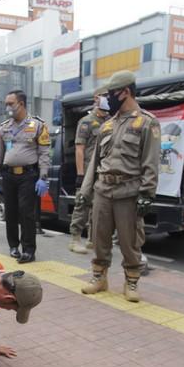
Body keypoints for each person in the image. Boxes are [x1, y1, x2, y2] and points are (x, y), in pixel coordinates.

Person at [80, 70, 160, 302]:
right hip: (103, 191)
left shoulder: (146, 122)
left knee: (129, 241)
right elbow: (95, 163)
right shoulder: (107, 125)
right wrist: (85, 192)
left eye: (111, 94)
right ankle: (99, 278)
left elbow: (151, 161)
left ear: (125, 92)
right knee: (99, 238)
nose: (107, 99)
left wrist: (147, 193)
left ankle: (131, 282)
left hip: (128, 193)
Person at [0, 90, 51, 263]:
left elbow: (44, 153)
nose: (7, 107)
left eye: (10, 103)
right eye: (6, 103)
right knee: (11, 212)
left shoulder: (38, 125)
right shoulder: (4, 127)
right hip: (8, 176)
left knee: (26, 212)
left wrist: (43, 177)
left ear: (21, 104)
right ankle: (13, 246)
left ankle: (29, 250)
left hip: (28, 175)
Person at [69, 87, 110, 254]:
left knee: (99, 207)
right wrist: (80, 174)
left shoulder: (109, 122)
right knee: (82, 203)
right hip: (88, 171)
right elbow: (79, 149)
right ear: (96, 98)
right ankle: (75, 239)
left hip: (104, 170)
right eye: (105, 96)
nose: (108, 98)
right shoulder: (86, 122)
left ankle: (93, 240)